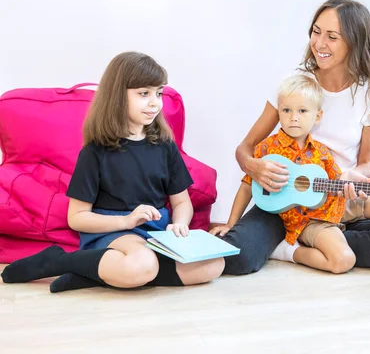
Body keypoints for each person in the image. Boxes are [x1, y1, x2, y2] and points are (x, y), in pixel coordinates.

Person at [219, 0, 370, 275]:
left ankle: (316, 240)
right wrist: (255, 167)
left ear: (355, 43)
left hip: (336, 196)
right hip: (284, 197)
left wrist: (350, 178)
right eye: (316, 32)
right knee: (238, 258)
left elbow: (367, 163)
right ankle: (291, 246)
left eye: (332, 37)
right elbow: (245, 148)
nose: (319, 44)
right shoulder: (295, 84)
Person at [1, 52, 224, 292]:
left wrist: (179, 224)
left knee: (213, 265)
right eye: (144, 93)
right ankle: (60, 261)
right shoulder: (95, 152)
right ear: (117, 96)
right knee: (142, 263)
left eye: (158, 92)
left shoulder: (164, 145)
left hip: (157, 233)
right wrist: (127, 220)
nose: (155, 102)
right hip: (116, 231)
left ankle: (97, 274)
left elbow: (182, 202)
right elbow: (76, 218)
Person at [211, 75, 370, 273]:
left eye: (302, 111)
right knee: (344, 261)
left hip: (325, 211)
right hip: (299, 221)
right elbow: (247, 185)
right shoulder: (268, 149)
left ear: (317, 116)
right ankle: (290, 251)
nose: (294, 117)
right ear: (279, 113)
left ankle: (324, 240)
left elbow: (338, 183)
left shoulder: (321, 153)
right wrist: (231, 224)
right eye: (286, 110)